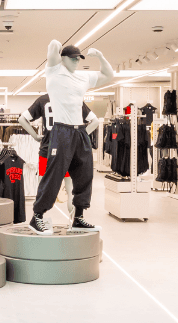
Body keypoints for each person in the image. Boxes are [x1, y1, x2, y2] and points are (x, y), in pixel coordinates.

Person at [29, 42, 115, 235]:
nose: (77, 61)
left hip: (80, 131)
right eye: (73, 58)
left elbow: (109, 75)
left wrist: (100, 56)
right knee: (54, 175)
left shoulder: (83, 77)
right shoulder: (54, 72)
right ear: (63, 59)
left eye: (79, 58)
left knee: (85, 174)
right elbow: (52, 47)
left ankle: (78, 218)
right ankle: (37, 216)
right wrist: (58, 45)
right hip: (62, 130)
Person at [19, 93, 98, 222]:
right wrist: (79, 137)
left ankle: (38, 220)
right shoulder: (73, 98)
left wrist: (35, 136)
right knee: (70, 189)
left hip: (47, 150)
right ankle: (74, 221)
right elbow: (95, 121)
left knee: (43, 188)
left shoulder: (43, 100)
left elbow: (22, 119)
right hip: (68, 151)